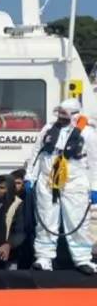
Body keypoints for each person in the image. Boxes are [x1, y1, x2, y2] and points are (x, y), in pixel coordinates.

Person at [26, 98, 97, 273]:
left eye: (64, 114)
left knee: (77, 221)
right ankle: (44, 258)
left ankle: (82, 259)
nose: (60, 117)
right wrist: (30, 177)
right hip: (48, 181)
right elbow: (37, 154)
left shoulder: (88, 133)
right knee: (45, 220)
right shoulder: (48, 129)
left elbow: (95, 162)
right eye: (59, 113)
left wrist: (95, 187)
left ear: (75, 114)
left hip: (75, 183)